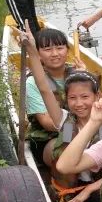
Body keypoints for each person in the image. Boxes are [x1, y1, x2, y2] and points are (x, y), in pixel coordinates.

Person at [20, 29, 102, 202]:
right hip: (73, 184)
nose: (79, 103)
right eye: (73, 98)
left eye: (85, 97)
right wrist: (32, 51)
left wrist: (91, 189)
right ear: (66, 100)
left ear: (97, 97)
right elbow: (43, 87)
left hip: (100, 186)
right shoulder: (64, 120)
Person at [22, 28, 76, 159]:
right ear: (38, 54)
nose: (55, 53)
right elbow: (47, 122)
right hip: (49, 137)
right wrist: (78, 128)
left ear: (67, 50)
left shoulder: (78, 74)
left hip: (81, 129)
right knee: (69, 148)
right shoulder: (32, 82)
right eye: (47, 50)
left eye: (59, 48)